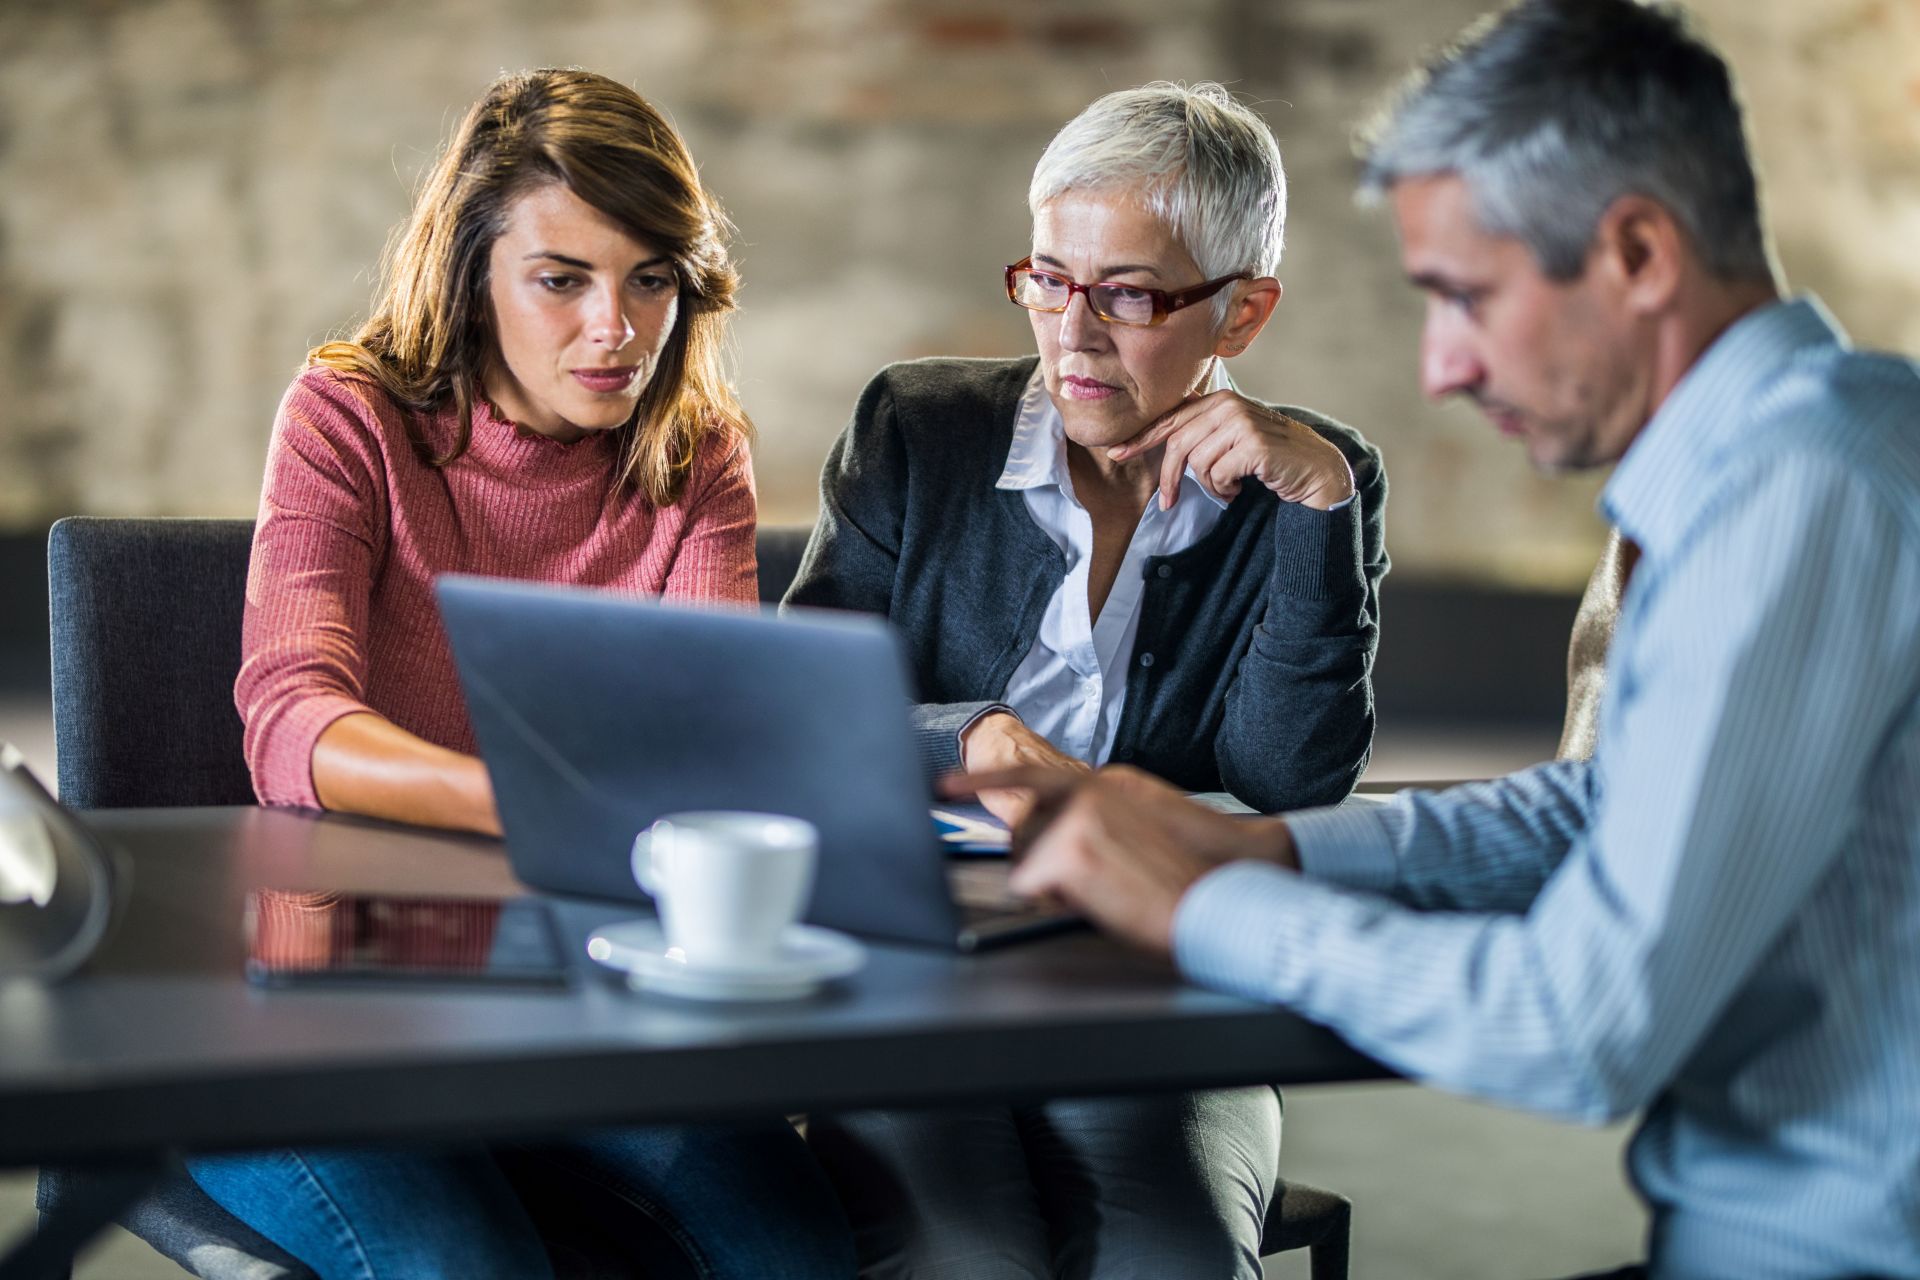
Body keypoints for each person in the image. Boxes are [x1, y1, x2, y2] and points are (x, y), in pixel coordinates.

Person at [965, 4, 1920, 1279]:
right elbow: (1593, 811)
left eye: (1465, 298)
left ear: (1636, 252)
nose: (1442, 366)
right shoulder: (1823, 446)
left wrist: (1206, 902)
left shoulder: (1801, 498)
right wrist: (1266, 845)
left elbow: (1582, 1026)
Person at [190, 69, 854, 1279]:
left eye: (651, 278)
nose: (618, 328)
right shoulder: (350, 417)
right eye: (563, 279)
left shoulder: (697, 453)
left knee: (803, 1250)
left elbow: (715, 741)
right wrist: (534, 807)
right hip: (324, 1007)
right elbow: (292, 720)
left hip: (586, 997)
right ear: (473, 275)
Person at [788, 83, 1388, 1279]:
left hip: (1147, 981)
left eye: (1128, 293)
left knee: (1175, 1256)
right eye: (1051, 279)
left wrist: (1318, 521)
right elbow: (806, 706)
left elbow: (1289, 777)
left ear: (1242, 312)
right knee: (967, 1252)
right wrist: (986, 738)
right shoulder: (919, 429)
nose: (1074, 332)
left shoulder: (1315, 478)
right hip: (912, 970)